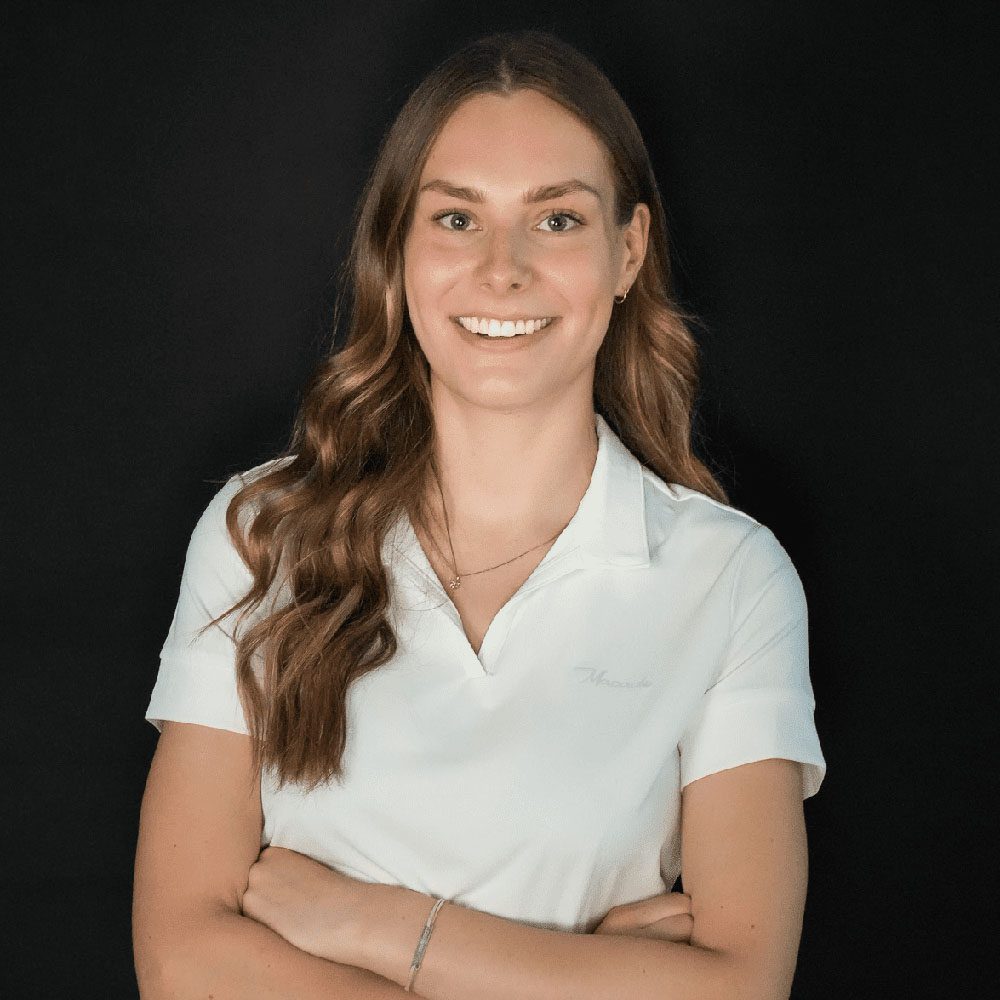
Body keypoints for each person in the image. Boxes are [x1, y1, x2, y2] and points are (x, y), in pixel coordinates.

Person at [133, 29, 826, 999]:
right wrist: (581, 977)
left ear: (628, 251)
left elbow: (740, 986)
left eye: (556, 220)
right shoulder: (261, 535)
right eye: (457, 219)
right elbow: (182, 962)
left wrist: (371, 924)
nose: (503, 269)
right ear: (397, 249)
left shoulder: (732, 580)